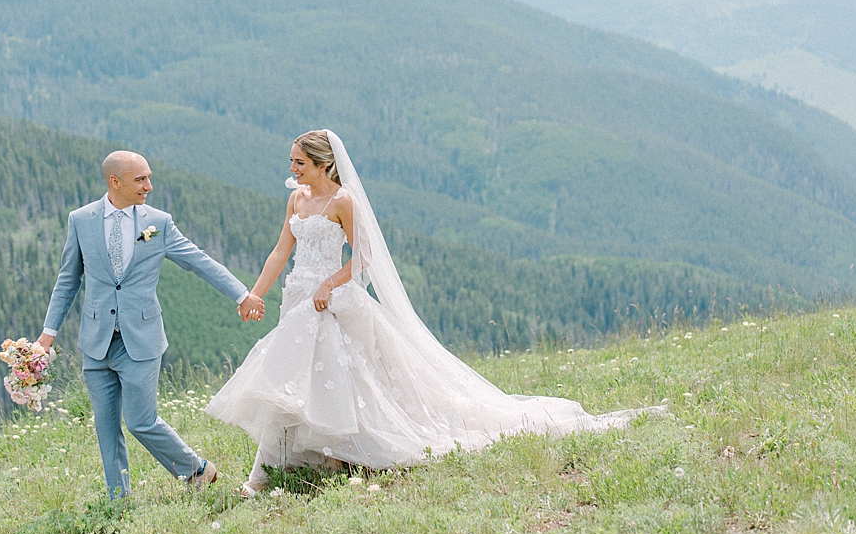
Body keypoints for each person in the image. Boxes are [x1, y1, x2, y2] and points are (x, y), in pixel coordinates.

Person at [206, 130, 659, 496]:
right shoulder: (297, 200)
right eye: (292, 162)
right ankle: (308, 459)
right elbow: (280, 251)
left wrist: (329, 283)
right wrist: (255, 294)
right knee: (296, 378)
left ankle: (283, 471)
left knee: (344, 377)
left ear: (324, 164)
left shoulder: (343, 202)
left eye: (299, 163)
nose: (292, 169)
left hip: (331, 298)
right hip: (298, 297)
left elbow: (363, 259)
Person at [37, 150, 266, 498]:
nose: (149, 186)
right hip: (96, 340)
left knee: (141, 421)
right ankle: (118, 498)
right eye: (141, 179)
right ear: (115, 182)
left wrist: (241, 295)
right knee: (106, 426)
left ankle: (197, 470)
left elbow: (197, 261)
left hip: (141, 339)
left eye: (148, 177)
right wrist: (47, 336)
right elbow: (68, 279)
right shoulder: (81, 220)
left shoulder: (158, 222)